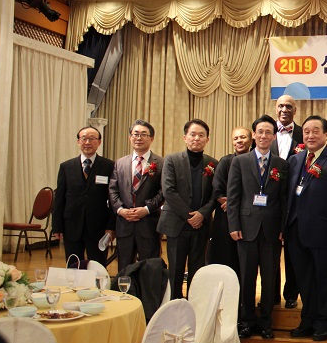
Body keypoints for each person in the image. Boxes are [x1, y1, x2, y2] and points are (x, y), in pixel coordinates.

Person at [284, 115, 327, 341]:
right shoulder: (295, 160)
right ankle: (308, 319)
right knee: (304, 279)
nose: (310, 135)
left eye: (315, 131)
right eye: (306, 131)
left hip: (324, 231)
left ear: (326, 134)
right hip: (296, 230)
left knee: (325, 278)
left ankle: (324, 321)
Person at [228, 116, 288, 339]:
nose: (264, 136)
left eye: (268, 132)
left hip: (272, 230)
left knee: (269, 278)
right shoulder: (240, 162)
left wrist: (283, 228)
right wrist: (233, 224)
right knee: (247, 276)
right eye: (260, 132)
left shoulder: (281, 164)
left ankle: (265, 322)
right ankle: (246, 320)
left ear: (274, 136)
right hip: (246, 228)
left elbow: (283, 200)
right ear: (253, 135)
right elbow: (233, 197)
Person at [157, 119, 218, 299]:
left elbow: (215, 194)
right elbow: (169, 191)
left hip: (201, 226)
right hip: (177, 224)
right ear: (185, 137)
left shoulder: (213, 163)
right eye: (193, 134)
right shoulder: (172, 160)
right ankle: (174, 303)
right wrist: (190, 216)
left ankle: (195, 303)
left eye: (201, 135)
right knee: (175, 269)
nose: (196, 138)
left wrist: (202, 214)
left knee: (197, 269)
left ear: (207, 139)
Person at [53, 126, 115, 266]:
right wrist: (57, 226)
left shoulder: (109, 166)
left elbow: (113, 199)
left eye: (92, 139)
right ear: (78, 142)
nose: (87, 142)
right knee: (73, 265)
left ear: (99, 142)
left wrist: (111, 226)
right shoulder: (66, 167)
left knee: (98, 266)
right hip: (71, 225)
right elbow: (60, 199)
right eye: (84, 138)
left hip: (98, 227)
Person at [108, 120, 164, 272]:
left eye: (144, 134)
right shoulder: (120, 163)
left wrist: (146, 209)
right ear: (130, 137)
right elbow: (113, 190)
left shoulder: (161, 163)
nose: (139, 138)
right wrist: (121, 210)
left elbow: (163, 192)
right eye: (136, 134)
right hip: (124, 224)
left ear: (151, 138)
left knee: (149, 268)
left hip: (149, 223)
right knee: (124, 268)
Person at [270, 94, 303, 309]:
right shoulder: (265, 131)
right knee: (270, 252)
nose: (284, 110)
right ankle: (271, 295)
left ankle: (291, 293)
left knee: (293, 252)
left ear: (295, 110)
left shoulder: (303, 134)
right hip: (269, 201)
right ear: (276, 108)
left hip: (294, 201)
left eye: (289, 106)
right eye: (281, 106)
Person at [209, 127, 252, 279]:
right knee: (225, 258)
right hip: (225, 218)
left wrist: (235, 203)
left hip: (248, 218)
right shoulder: (225, 161)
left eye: (243, 137)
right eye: (236, 138)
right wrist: (234, 205)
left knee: (245, 262)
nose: (239, 141)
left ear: (251, 140)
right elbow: (217, 191)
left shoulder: (256, 161)